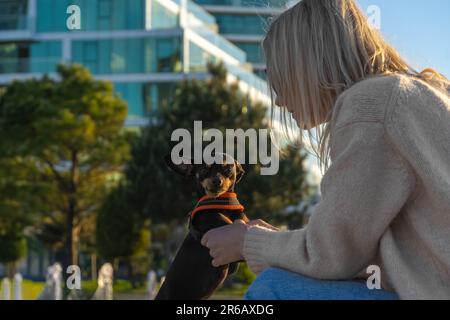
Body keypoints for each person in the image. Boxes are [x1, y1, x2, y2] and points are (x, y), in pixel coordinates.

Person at [200, 0, 450, 300]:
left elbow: (332, 253)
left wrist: (247, 243)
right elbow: (359, 255)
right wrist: (272, 242)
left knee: (274, 289)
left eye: (280, 79)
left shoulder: (371, 105)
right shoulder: (413, 94)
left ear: (306, 66)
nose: (279, 101)